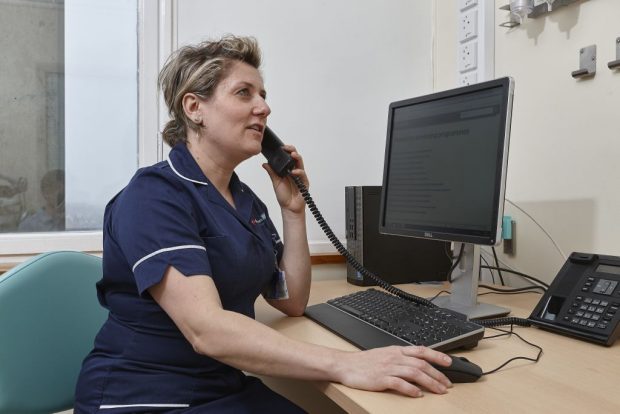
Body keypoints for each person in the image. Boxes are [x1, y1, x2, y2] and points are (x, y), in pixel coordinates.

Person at [74, 34, 453, 413]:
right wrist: (347, 364)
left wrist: (293, 211)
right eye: (244, 93)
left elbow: (291, 300)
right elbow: (207, 331)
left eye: (263, 94)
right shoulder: (154, 196)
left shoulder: (244, 201)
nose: (264, 107)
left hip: (219, 384)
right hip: (142, 395)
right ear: (194, 107)